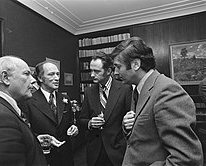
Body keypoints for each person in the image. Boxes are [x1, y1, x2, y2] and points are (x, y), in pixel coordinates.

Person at [113, 37, 203, 166]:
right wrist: (128, 128)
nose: (115, 73)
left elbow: (187, 159)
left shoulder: (166, 91)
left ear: (136, 64)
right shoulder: (138, 89)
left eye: (118, 67)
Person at [19, 61, 78, 166]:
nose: (57, 78)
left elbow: (69, 122)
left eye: (57, 74)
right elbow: (26, 132)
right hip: (43, 157)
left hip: (66, 156)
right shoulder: (28, 101)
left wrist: (73, 128)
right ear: (40, 78)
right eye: (51, 74)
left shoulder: (64, 99)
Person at [78, 52, 132, 166]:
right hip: (95, 152)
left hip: (117, 150)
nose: (92, 75)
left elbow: (131, 120)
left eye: (97, 71)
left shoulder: (125, 90)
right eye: (91, 71)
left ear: (108, 71)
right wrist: (90, 123)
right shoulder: (89, 91)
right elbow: (81, 120)